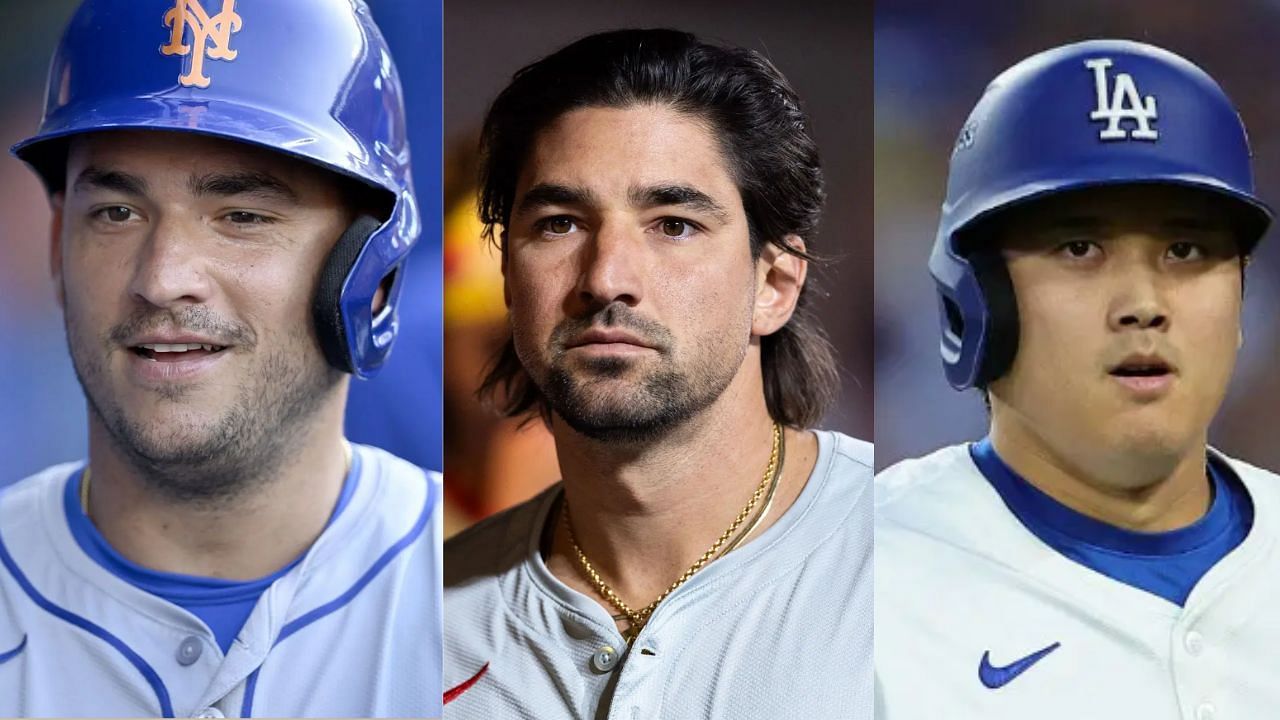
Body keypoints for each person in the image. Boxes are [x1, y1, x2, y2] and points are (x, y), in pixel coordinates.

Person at [0, 1, 441, 717]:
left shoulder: (490, 605)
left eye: (243, 216)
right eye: (116, 212)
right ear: (57, 248)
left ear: (372, 271)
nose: (163, 276)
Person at [443, 28, 873, 719]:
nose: (607, 277)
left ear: (775, 284)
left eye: (673, 224)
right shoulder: (427, 621)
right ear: (508, 280)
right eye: (559, 224)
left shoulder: (917, 561)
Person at [876, 40, 1280, 719]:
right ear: (977, 301)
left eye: (1186, 250)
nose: (1144, 304)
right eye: (1079, 248)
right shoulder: (853, 589)